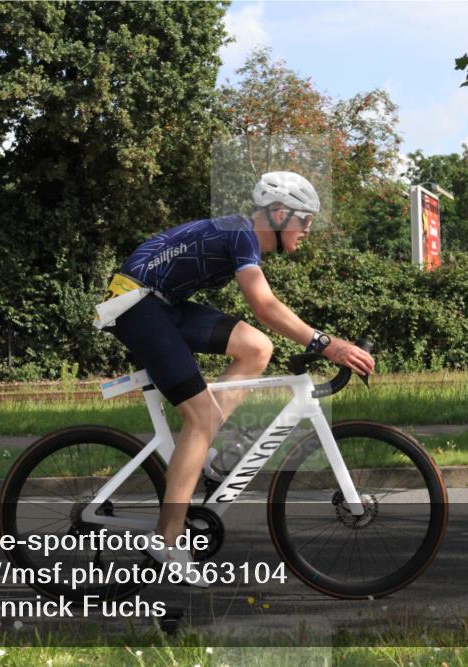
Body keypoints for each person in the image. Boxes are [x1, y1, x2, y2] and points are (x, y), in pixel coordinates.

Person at [96, 171, 375, 584]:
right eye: (305, 219)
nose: (309, 230)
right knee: (202, 417)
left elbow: (262, 320)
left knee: (257, 348)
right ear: (279, 214)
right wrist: (327, 343)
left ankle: (203, 449)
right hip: (136, 306)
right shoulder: (243, 233)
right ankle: (167, 539)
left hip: (160, 303)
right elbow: (263, 304)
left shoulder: (238, 233)